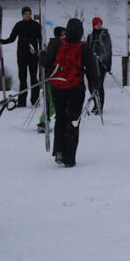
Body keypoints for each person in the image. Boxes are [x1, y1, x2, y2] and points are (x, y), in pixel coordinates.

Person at [44, 18, 100, 167]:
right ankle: (70, 157)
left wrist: (41, 55)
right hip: (76, 88)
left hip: (57, 87)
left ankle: (59, 152)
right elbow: (92, 71)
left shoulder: (56, 43)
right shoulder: (84, 47)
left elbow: (46, 63)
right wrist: (94, 87)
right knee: (73, 121)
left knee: (60, 118)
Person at [0, 6, 43, 108]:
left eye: (29, 13)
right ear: (22, 15)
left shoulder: (36, 25)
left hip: (33, 55)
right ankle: (22, 101)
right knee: (22, 78)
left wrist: (40, 51)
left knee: (33, 78)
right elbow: (12, 38)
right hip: (21, 55)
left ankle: (35, 100)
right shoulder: (19, 25)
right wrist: (2, 41)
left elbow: (40, 39)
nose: (27, 15)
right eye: (25, 13)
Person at [37, 26, 65, 134]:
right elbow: (47, 62)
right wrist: (42, 55)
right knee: (53, 102)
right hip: (54, 77)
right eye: (63, 34)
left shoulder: (57, 43)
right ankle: (43, 122)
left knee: (55, 101)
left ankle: (46, 121)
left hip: (57, 77)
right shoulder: (56, 44)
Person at [87, 17, 113, 114]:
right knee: (91, 85)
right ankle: (95, 104)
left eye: (100, 23)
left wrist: (108, 65)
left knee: (99, 85)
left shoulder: (105, 35)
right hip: (92, 64)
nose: (99, 25)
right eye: (97, 23)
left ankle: (100, 106)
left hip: (102, 64)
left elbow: (109, 50)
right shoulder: (90, 36)